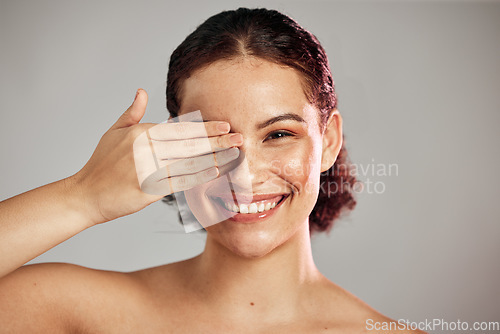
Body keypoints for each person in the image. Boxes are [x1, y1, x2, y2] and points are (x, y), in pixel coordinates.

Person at [0, 7, 425, 333]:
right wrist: (84, 196)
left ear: (328, 140)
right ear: (173, 149)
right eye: (211, 141)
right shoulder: (82, 312)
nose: (244, 177)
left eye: (278, 135)